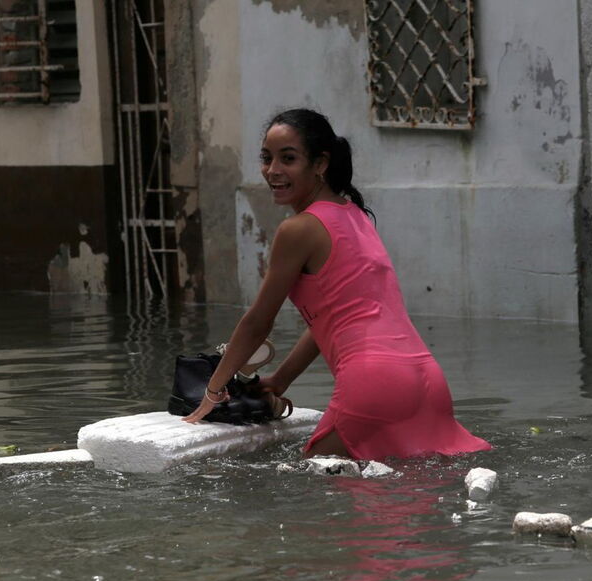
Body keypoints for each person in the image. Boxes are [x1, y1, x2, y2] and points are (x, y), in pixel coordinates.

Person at [182, 108, 491, 460]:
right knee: (411, 490)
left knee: (315, 489)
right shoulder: (356, 215)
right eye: (267, 159)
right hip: (427, 380)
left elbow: (258, 322)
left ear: (320, 164)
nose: (273, 171)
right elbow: (332, 318)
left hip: (374, 381)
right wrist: (280, 380)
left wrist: (213, 391)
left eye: (288, 159)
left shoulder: (298, 229)